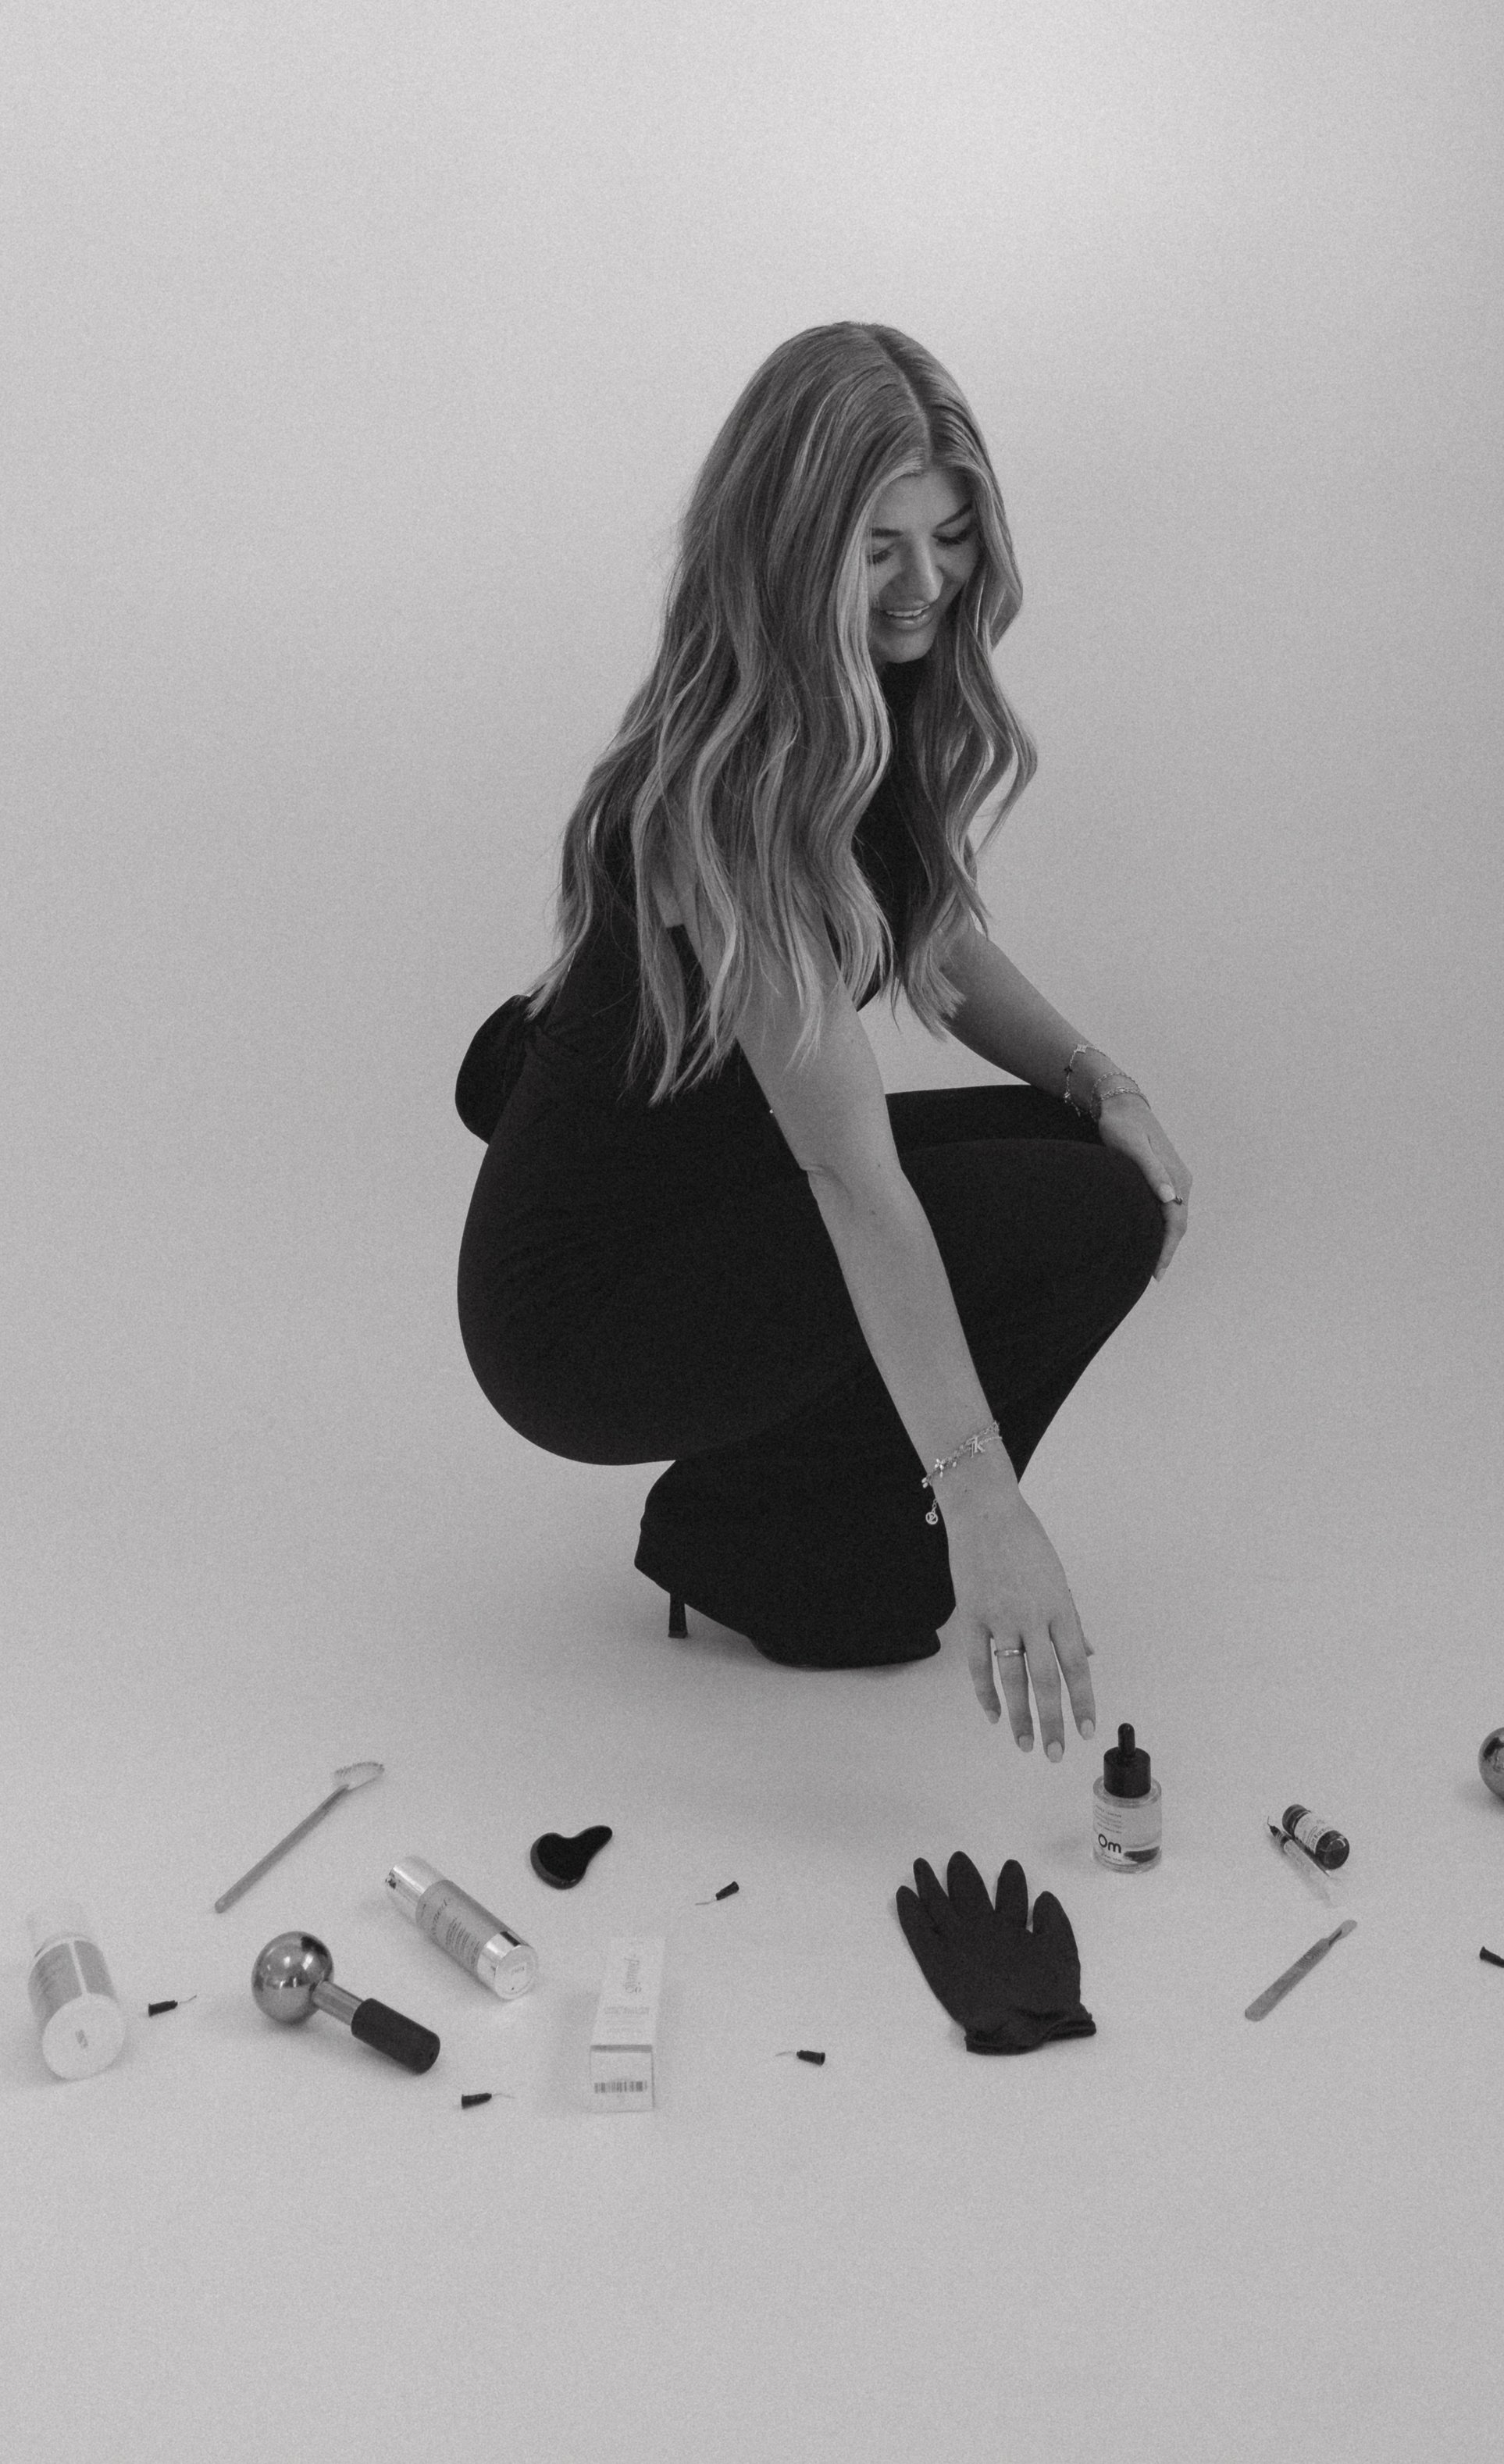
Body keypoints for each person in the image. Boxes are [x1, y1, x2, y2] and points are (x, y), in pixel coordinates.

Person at [455, 322, 1190, 1761]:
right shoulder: (730, 806)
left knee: (1085, 1164)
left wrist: (1102, 1081)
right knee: (1078, 1223)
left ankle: (796, 1487)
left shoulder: (856, 704)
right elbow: (857, 1185)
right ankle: (765, 1539)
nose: (927, 585)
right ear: (791, 548)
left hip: (702, 1173)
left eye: (954, 534)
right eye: (878, 548)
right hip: (583, 1316)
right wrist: (989, 1506)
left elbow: (930, 931)